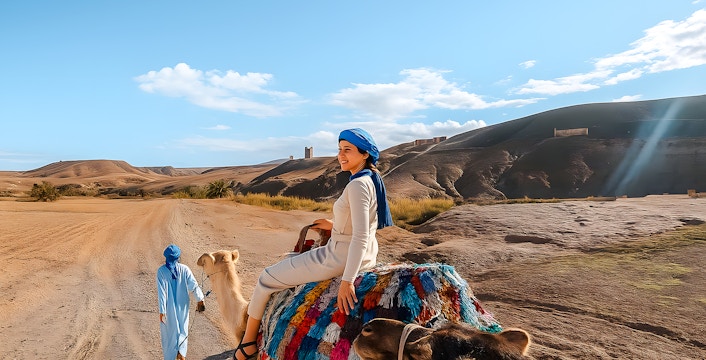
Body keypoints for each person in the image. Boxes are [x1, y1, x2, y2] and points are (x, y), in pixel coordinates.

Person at [233, 128, 394, 360]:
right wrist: (333, 224)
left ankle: (247, 344)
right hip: (362, 251)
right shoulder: (369, 179)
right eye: (340, 150)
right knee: (291, 261)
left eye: (348, 150)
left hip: (339, 256)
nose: (341, 155)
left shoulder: (357, 185)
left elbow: (360, 235)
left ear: (365, 154)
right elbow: (364, 224)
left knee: (266, 278)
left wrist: (347, 282)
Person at [157, 244, 206, 360]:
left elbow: (162, 293)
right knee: (183, 329)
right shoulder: (185, 269)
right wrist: (200, 299)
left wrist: (162, 311)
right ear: (178, 257)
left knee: (169, 332)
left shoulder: (161, 271)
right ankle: (181, 354)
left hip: (168, 308)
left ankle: (172, 356)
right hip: (183, 305)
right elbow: (193, 285)